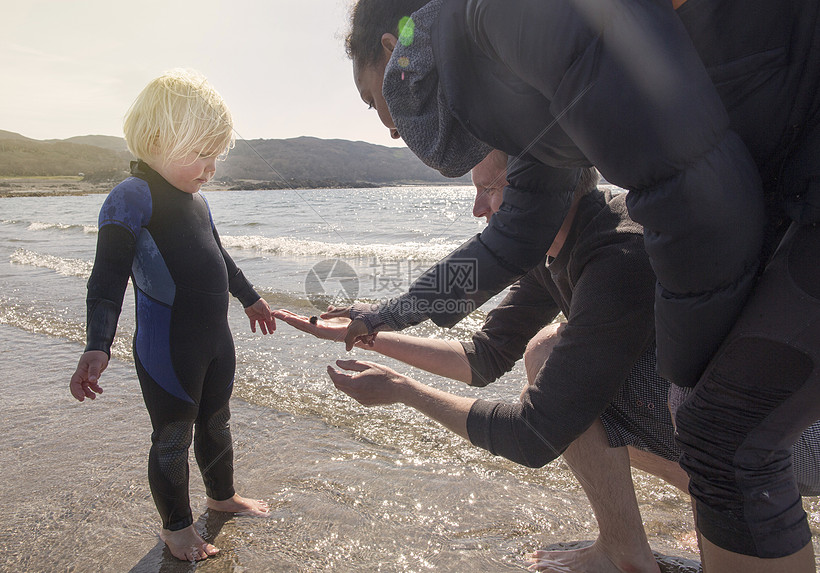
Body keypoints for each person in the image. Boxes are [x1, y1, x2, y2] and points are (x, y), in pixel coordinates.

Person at [340, 1, 820, 571]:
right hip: (780, 181)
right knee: (698, 425)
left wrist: (692, 379)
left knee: (720, 434)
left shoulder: (508, 26)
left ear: (396, 56)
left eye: (375, 104)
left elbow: (689, 185)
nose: (392, 131)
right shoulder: (530, 122)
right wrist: (381, 319)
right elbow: (500, 283)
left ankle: (674, 529)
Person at [283, 150, 820, 571]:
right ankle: (705, 506)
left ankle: (625, 553)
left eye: (489, 188)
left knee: (549, 355)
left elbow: (534, 435)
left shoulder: (618, 251)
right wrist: (368, 336)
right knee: (563, 367)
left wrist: (404, 390)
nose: (477, 209)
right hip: (730, 431)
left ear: (541, 184)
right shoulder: (553, 250)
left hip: (785, 438)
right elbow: (483, 356)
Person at [68, 69, 276, 562]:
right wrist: (98, 342)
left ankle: (221, 496)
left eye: (216, 157)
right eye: (201, 154)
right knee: (172, 437)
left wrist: (250, 298)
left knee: (217, 422)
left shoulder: (198, 202)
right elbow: (107, 277)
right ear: (159, 139)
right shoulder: (130, 197)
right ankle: (176, 529)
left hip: (214, 342)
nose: (211, 168)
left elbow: (220, 259)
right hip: (167, 347)